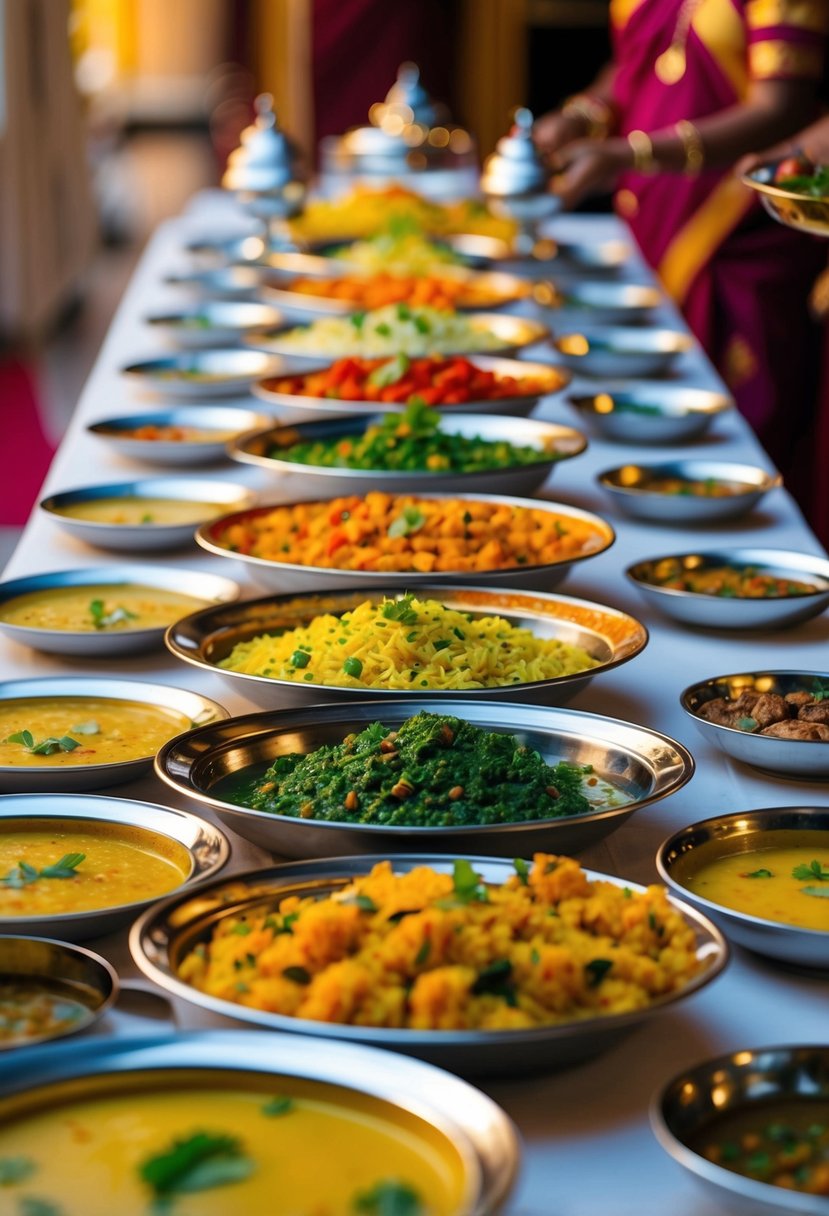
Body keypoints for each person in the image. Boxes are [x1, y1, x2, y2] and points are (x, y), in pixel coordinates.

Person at [533, 0, 829, 504]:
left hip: (735, 225)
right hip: (652, 212)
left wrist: (635, 153)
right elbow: (634, 67)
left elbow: (781, 106)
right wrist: (583, 114)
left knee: (738, 432)